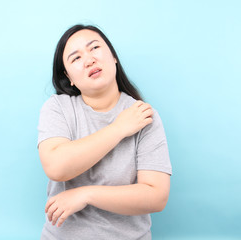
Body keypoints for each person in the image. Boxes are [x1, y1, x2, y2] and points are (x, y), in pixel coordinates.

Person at [37, 24, 172, 240]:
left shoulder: (143, 115)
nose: (89, 60)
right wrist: (118, 129)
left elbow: (156, 196)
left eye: (95, 48)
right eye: (76, 58)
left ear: (114, 57)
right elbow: (56, 166)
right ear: (68, 77)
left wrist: (86, 194)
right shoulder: (58, 107)